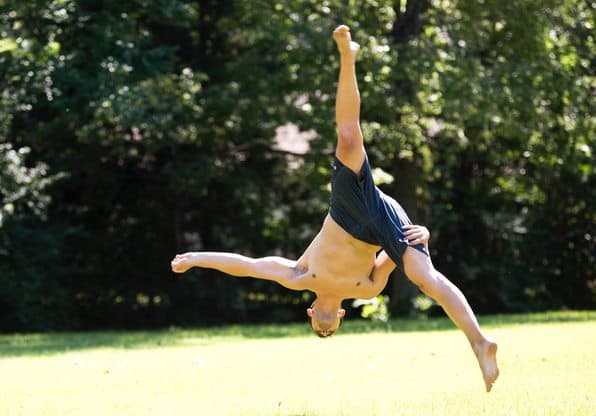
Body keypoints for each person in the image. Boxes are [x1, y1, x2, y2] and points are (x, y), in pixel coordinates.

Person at [172, 25, 499, 392]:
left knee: (347, 138)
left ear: (312, 313)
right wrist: (423, 235)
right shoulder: (367, 290)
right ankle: (481, 342)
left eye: (318, 328)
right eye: (330, 331)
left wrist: (196, 257)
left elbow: (246, 266)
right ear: (341, 317)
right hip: (380, 221)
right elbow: (396, 251)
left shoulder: (300, 275)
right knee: (423, 275)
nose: (325, 329)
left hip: (345, 212)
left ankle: (348, 56)